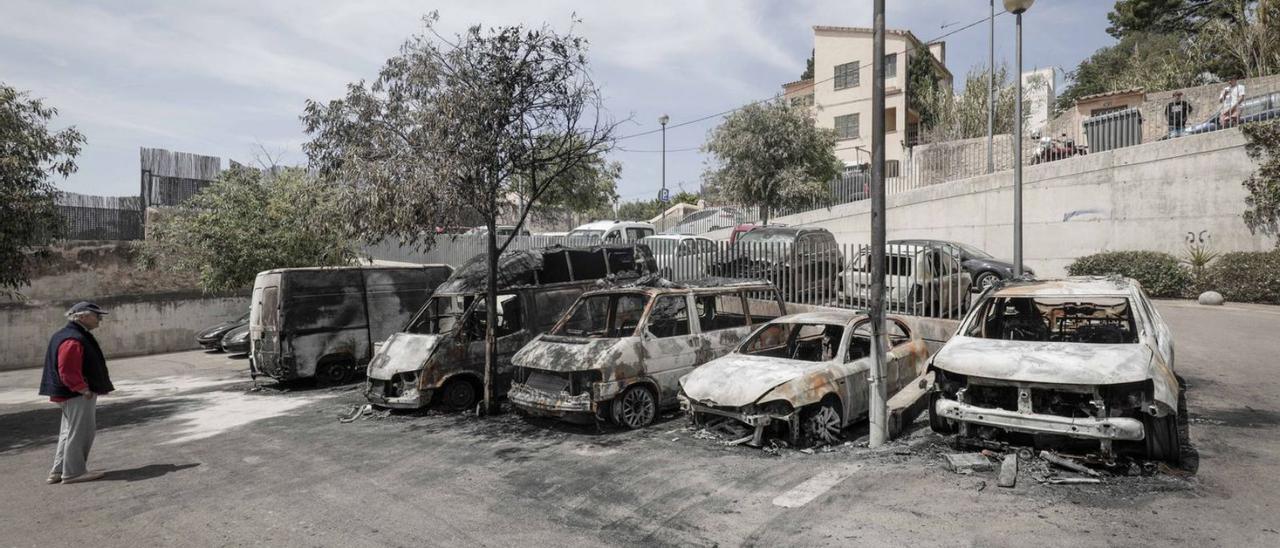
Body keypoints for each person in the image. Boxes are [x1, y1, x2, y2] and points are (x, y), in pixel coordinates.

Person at [38, 302, 115, 484]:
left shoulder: (68, 335)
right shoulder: (73, 338)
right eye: (96, 316)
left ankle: (59, 471)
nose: (99, 319)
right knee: (81, 432)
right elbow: (67, 369)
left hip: (68, 393)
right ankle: (74, 472)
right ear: (83, 317)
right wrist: (82, 389)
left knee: (69, 431)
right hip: (75, 394)